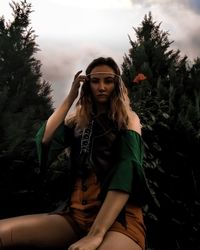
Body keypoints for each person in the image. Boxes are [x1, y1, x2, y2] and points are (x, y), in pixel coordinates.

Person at [0, 57, 149, 250]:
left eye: (108, 81)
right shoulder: (78, 121)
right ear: (87, 85)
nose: (101, 87)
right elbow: (46, 139)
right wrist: (71, 96)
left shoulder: (129, 119)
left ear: (117, 84)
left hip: (119, 221)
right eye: (95, 81)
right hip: (76, 216)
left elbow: (126, 173)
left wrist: (96, 234)